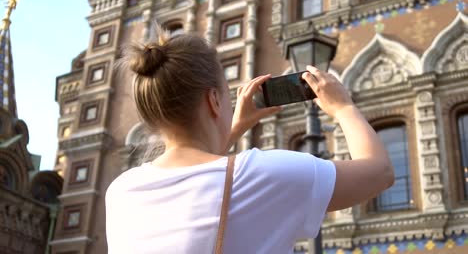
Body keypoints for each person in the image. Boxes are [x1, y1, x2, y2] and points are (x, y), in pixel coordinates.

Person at [105, 28, 394, 254]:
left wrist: (238, 125)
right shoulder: (261, 174)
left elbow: (202, 180)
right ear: (214, 100)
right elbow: (379, 172)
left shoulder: (121, 191)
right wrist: (343, 108)